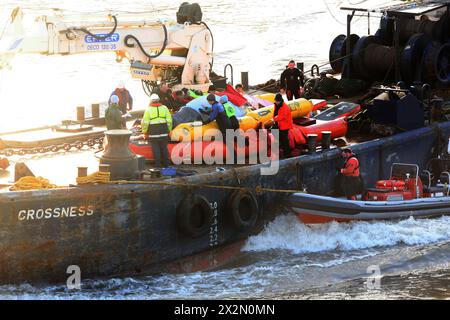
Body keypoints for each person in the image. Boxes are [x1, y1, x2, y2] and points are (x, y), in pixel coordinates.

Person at [142, 94, 173, 168]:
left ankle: (158, 165)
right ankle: (166, 164)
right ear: (159, 100)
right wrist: (169, 130)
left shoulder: (148, 110)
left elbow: (145, 123)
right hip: (164, 132)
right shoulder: (165, 108)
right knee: (164, 148)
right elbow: (169, 121)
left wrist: (145, 132)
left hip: (153, 133)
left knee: (155, 149)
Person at [273, 93, 293, 158]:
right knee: (278, 136)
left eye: (277, 101)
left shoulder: (284, 107)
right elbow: (275, 113)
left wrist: (273, 119)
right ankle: (281, 150)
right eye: (275, 101)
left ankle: (287, 153)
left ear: (280, 100)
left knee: (284, 140)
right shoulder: (276, 105)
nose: (276, 102)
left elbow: (281, 116)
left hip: (285, 125)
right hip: (279, 124)